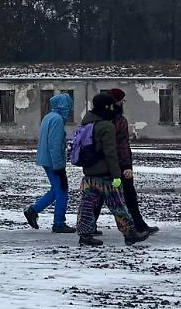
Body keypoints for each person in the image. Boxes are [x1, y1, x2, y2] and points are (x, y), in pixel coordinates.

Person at [74, 92, 152, 247]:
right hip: (104, 174)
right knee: (118, 205)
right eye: (111, 105)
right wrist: (117, 176)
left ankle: (85, 235)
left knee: (87, 205)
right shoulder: (106, 126)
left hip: (89, 173)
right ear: (107, 107)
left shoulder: (86, 123)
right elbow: (111, 154)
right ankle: (130, 234)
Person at [105, 88, 158, 237]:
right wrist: (127, 166)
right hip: (120, 165)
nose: (123, 103)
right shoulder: (119, 121)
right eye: (122, 100)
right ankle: (139, 226)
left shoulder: (101, 119)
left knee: (100, 194)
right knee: (128, 195)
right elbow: (121, 145)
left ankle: (88, 227)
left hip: (104, 164)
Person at [25, 93, 75, 233]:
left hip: (45, 159)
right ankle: (59, 223)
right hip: (53, 161)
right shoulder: (58, 120)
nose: (70, 110)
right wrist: (60, 167)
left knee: (56, 189)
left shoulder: (48, 117)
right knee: (62, 191)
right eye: (69, 106)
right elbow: (55, 145)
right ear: (64, 106)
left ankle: (33, 210)